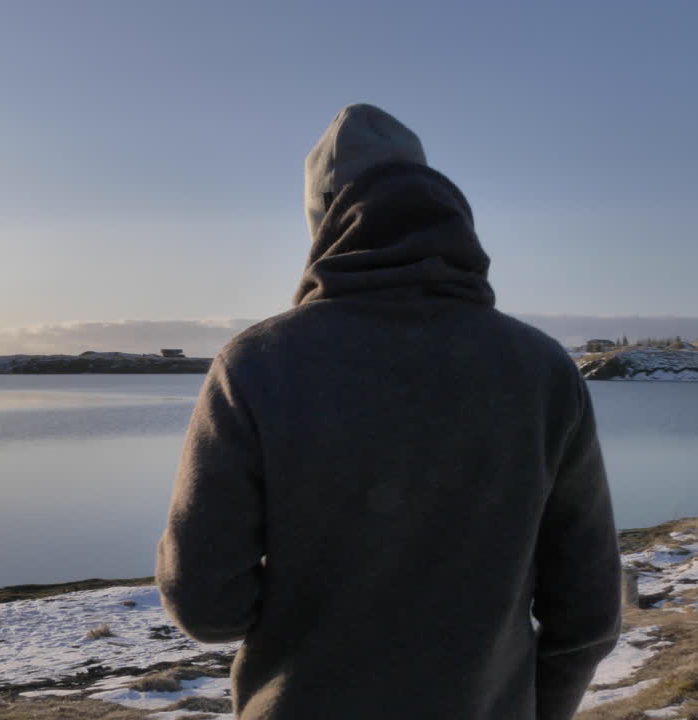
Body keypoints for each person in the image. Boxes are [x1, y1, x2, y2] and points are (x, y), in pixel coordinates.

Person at [156, 103, 621, 720]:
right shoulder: (540, 368)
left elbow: (207, 607)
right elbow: (587, 612)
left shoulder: (257, 363)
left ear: (323, 224)